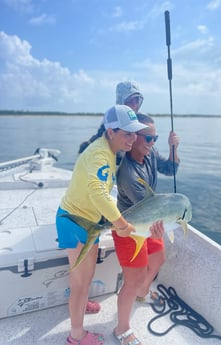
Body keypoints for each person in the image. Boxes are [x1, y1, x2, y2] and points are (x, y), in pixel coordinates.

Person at [55, 105, 149, 345]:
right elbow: (99, 193)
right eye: (127, 133)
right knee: (80, 281)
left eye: (135, 132)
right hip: (76, 222)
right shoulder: (99, 154)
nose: (134, 139)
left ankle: (81, 302)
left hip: (89, 221)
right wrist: (121, 224)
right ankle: (76, 336)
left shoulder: (108, 150)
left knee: (85, 277)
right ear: (110, 131)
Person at [112, 112, 180, 345]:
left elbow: (170, 170)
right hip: (130, 228)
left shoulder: (150, 153)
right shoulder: (128, 173)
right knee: (133, 279)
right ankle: (121, 329)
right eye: (148, 138)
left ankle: (142, 292)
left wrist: (173, 149)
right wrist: (165, 220)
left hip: (151, 222)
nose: (152, 143)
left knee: (159, 257)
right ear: (133, 138)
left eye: (156, 138)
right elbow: (147, 210)